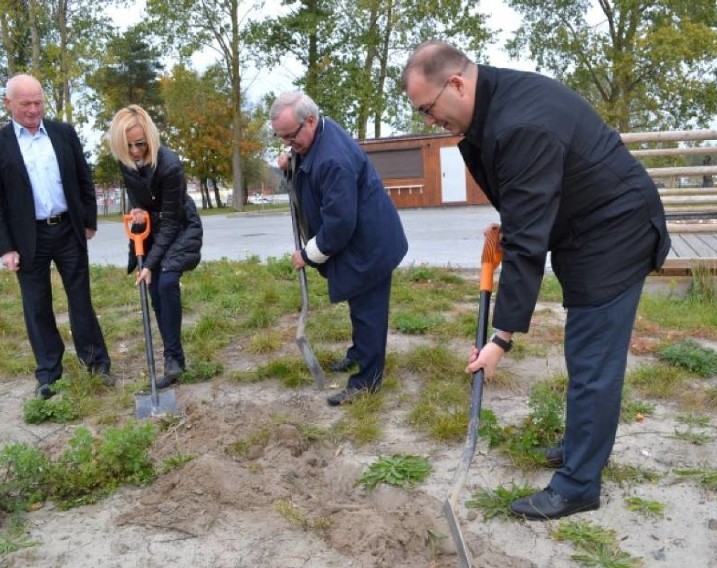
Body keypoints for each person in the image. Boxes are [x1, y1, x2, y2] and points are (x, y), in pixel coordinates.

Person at [402, 42, 671, 520]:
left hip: (616, 231)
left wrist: (500, 339)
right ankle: (581, 446)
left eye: (428, 109)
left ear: (457, 84)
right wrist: (515, 223)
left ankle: (579, 485)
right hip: (585, 224)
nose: (428, 121)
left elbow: (529, 245)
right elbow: (527, 198)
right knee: (584, 352)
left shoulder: (520, 121)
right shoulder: (488, 107)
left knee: (592, 359)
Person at [270, 91, 408, 407]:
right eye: (283, 139)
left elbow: (339, 225)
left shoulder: (333, 157)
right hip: (360, 240)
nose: (290, 143)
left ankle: (367, 381)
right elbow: (308, 166)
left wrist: (307, 254)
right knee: (358, 305)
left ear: (311, 120)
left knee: (369, 311)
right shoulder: (316, 136)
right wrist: (292, 163)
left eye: (292, 137)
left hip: (369, 245)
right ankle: (359, 353)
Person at [0, 74, 112, 399]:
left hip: (68, 229)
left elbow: (84, 178)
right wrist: (6, 247)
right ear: (8, 103)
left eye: (38, 102)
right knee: (37, 306)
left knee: (81, 300)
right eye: (26, 103)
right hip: (28, 238)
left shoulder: (63, 133)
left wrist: (89, 220)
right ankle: (49, 375)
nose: (33, 109)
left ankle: (97, 365)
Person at [108, 105, 203, 389]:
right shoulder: (125, 163)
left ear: (150, 138)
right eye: (129, 146)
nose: (136, 151)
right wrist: (138, 211)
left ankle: (172, 357)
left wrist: (149, 264)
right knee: (155, 293)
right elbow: (139, 198)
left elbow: (173, 221)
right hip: (151, 231)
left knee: (166, 281)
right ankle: (174, 359)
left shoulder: (170, 166)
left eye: (141, 144)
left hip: (180, 228)